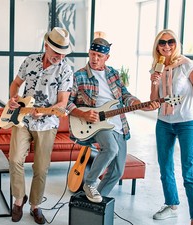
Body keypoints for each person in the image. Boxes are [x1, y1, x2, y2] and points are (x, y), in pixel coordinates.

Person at [67, 37, 159, 203]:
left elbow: (125, 96)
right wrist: (83, 114)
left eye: (99, 56)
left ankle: (96, 202)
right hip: (96, 123)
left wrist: (141, 105)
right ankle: (89, 183)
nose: (94, 59)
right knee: (110, 148)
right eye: (92, 54)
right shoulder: (78, 76)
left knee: (117, 171)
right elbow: (67, 102)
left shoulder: (114, 74)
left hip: (118, 124)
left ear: (107, 57)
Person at [149, 29, 193, 225]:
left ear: (176, 43)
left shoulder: (186, 64)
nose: (167, 46)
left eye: (171, 42)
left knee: (189, 171)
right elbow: (153, 101)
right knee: (165, 166)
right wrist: (154, 82)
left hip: (187, 122)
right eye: (162, 43)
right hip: (164, 123)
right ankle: (171, 204)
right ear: (157, 46)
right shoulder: (157, 67)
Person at [8, 27, 73, 225]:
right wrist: (13, 98)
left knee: (41, 168)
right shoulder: (30, 60)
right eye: (56, 52)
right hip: (23, 119)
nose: (59, 56)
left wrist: (44, 111)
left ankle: (35, 205)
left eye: (63, 53)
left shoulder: (65, 69)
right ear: (46, 46)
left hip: (47, 123)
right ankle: (19, 199)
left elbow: (62, 102)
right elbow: (16, 83)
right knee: (14, 159)